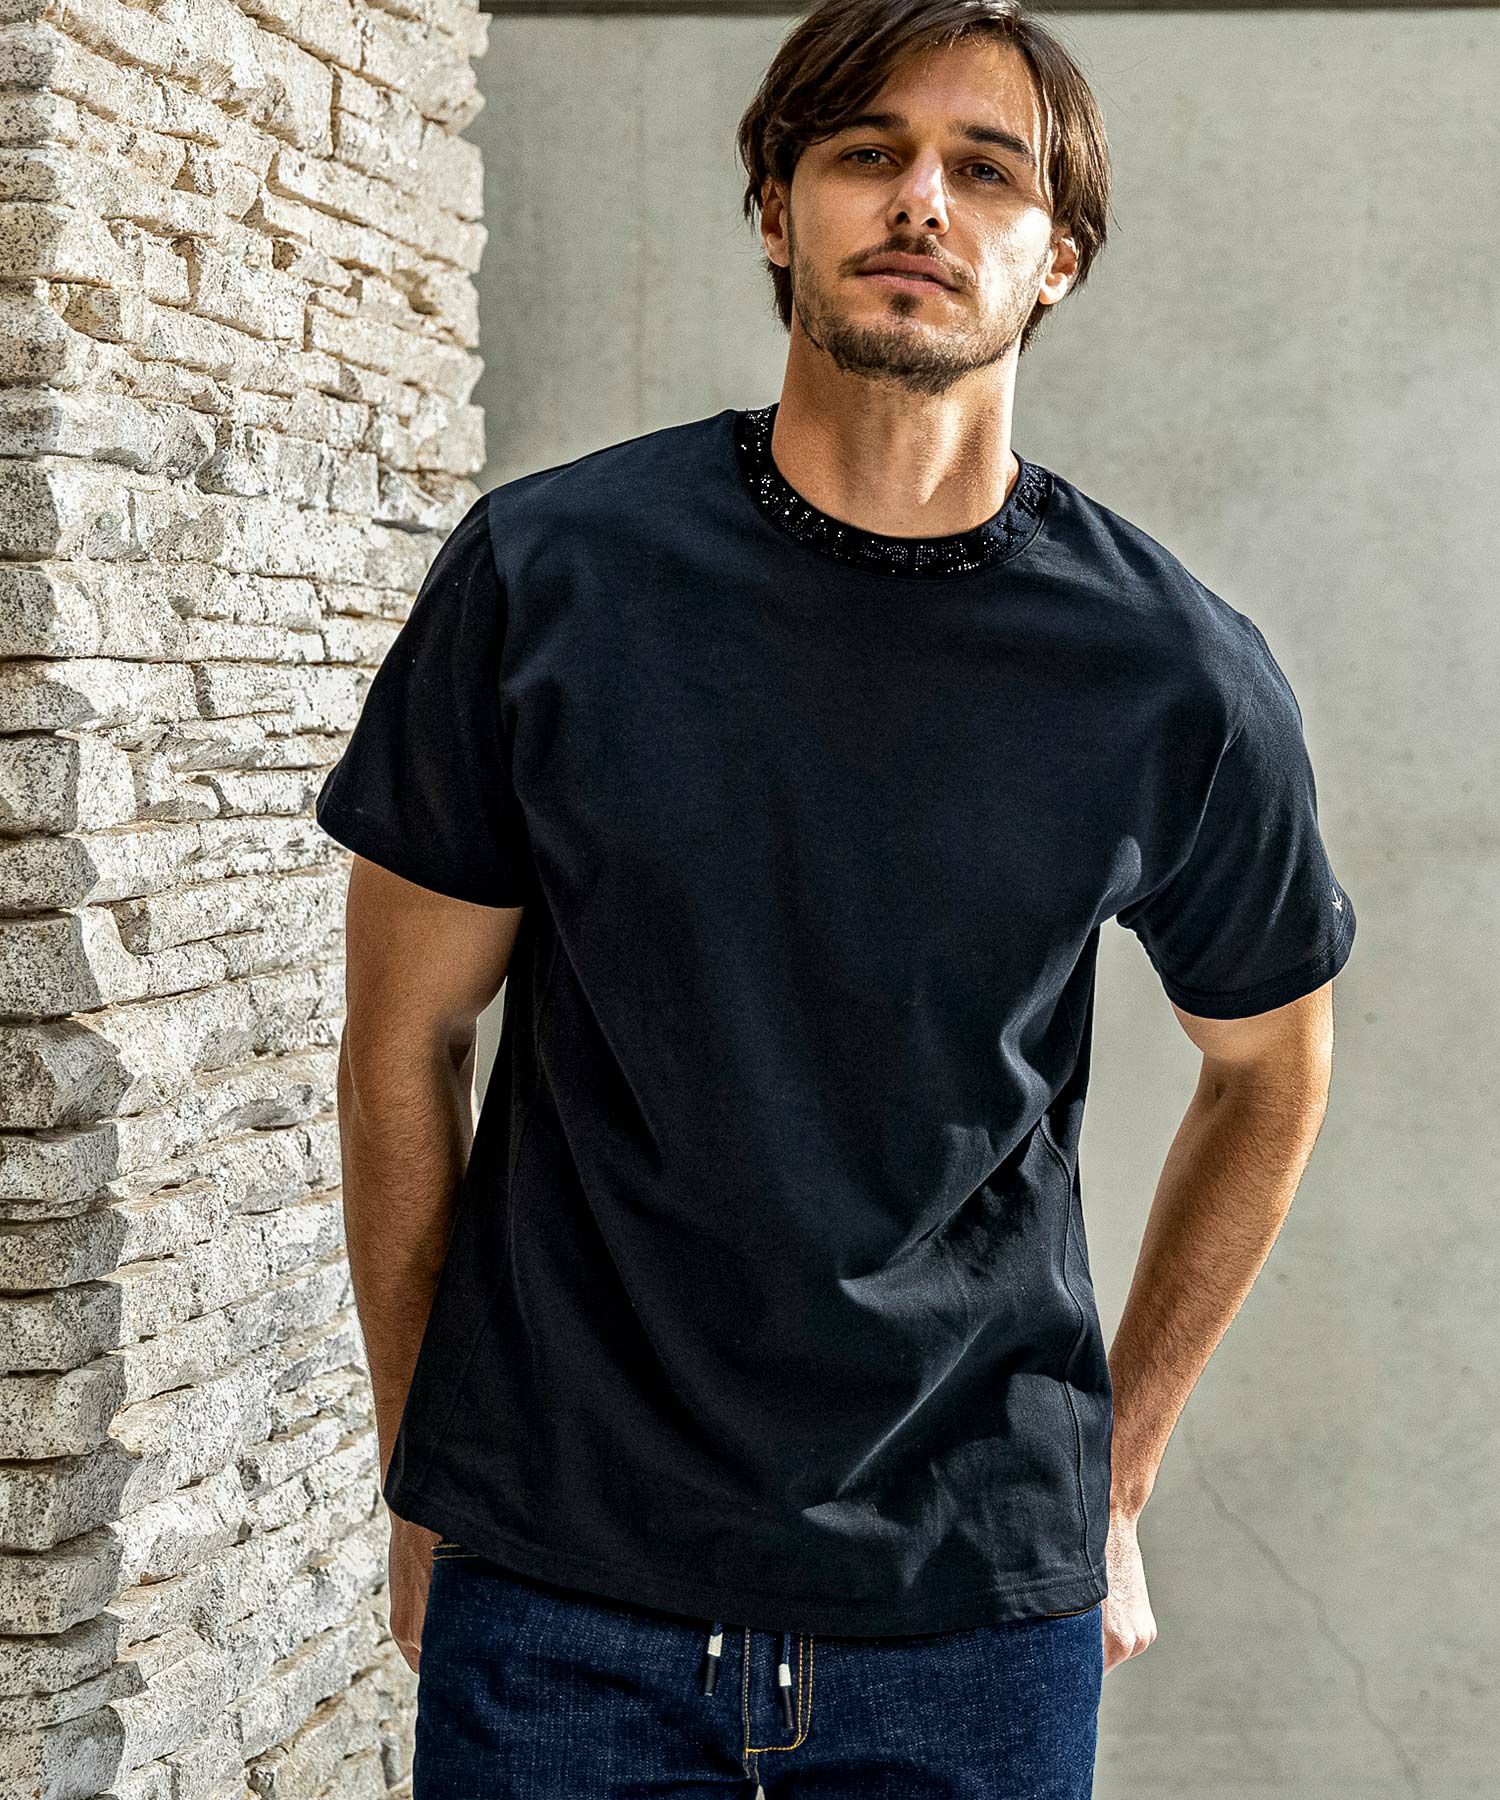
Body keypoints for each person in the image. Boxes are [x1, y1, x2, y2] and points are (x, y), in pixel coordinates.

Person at [314, 0, 1357, 1793]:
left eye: (987, 171)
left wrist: (1117, 1472)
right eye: (868, 151)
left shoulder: (1171, 672)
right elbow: (401, 1045)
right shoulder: (550, 579)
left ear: (1056, 259)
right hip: (563, 1599)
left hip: (971, 1620)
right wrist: (433, 1467)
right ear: (776, 209)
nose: (921, 200)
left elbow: (1272, 1068)